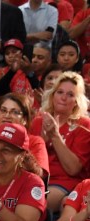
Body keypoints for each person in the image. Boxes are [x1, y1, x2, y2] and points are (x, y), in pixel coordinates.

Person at [30, 71, 90, 212]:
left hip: (65, 182)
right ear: (52, 95)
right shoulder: (38, 121)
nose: (63, 98)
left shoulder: (84, 125)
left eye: (70, 95)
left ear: (77, 101)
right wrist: (42, 142)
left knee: (37, 202)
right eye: (60, 92)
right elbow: (26, 161)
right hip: (36, 179)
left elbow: (73, 169)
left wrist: (55, 136)